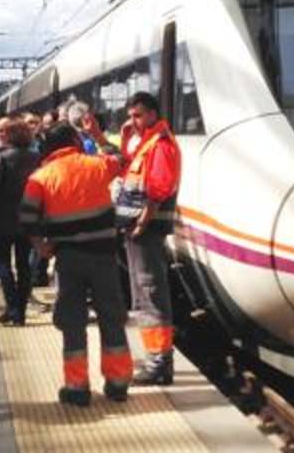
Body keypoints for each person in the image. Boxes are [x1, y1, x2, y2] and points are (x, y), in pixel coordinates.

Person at [19, 123, 132, 406]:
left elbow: (27, 218)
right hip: (104, 256)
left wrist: (40, 246)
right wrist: (97, 135)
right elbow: (122, 160)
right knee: (111, 316)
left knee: (72, 321)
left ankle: (77, 387)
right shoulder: (98, 164)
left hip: (68, 259)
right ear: (73, 141)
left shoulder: (40, 177)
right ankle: (118, 383)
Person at [114, 91, 181, 386]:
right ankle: (154, 356)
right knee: (143, 293)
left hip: (147, 230)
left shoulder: (161, 144)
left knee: (150, 292)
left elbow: (158, 188)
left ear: (153, 113)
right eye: (130, 115)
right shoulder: (146, 143)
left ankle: (160, 364)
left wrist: (142, 221)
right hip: (137, 229)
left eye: (138, 115)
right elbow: (129, 171)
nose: (133, 121)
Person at [0, 115, 41, 326]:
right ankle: (20, 310)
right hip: (28, 218)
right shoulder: (36, 157)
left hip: (2, 219)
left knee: (3, 263)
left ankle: (13, 308)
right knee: (24, 265)